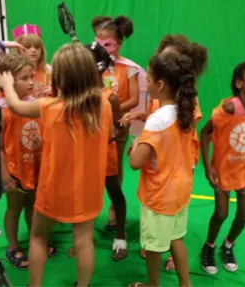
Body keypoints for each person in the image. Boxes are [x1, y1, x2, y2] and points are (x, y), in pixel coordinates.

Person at [0, 43, 113, 287]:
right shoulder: (104, 106)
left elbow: (16, 106)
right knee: (83, 240)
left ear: (59, 77)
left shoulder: (49, 106)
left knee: (38, 236)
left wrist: (6, 86)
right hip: (88, 190)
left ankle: (33, 285)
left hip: (53, 189)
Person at [121, 34, 208, 270]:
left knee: (158, 233)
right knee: (175, 232)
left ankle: (157, 255)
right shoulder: (172, 104)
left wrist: (141, 141)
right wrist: (143, 117)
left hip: (167, 174)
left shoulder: (186, 103)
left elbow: (137, 159)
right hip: (177, 176)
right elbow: (164, 124)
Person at [200, 59, 245, 275]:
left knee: (244, 216)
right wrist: (207, 166)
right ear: (239, 83)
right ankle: (209, 246)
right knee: (220, 213)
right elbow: (204, 132)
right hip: (223, 170)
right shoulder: (229, 108)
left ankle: (228, 245)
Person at [0, 53, 57, 270]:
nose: (32, 82)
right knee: (13, 209)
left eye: (32, 77)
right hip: (15, 171)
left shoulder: (37, 105)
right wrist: (5, 174)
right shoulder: (1, 111)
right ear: (9, 82)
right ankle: (12, 247)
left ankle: (34, 240)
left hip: (36, 169)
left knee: (34, 206)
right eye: (24, 78)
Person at [68, 42, 127, 260]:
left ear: (98, 67)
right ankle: (84, 239)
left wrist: (106, 138)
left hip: (105, 156)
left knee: (114, 193)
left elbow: (122, 129)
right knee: (82, 198)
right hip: (82, 158)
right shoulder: (75, 97)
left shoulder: (109, 97)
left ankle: (120, 235)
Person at [91, 15, 147, 230]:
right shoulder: (93, 65)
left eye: (108, 42)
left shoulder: (128, 68)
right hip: (94, 126)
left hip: (117, 125)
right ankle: (88, 212)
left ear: (119, 43)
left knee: (115, 170)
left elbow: (133, 99)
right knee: (92, 169)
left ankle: (114, 208)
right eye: (98, 40)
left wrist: (111, 109)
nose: (102, 46)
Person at [0, 24, 52, 102]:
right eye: (27, 47)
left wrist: (54, 90)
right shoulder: (7, 68)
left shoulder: (48, 70)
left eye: (37, 47)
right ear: (18, 48)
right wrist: (1, 46)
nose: (33, 50)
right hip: (5, 112)